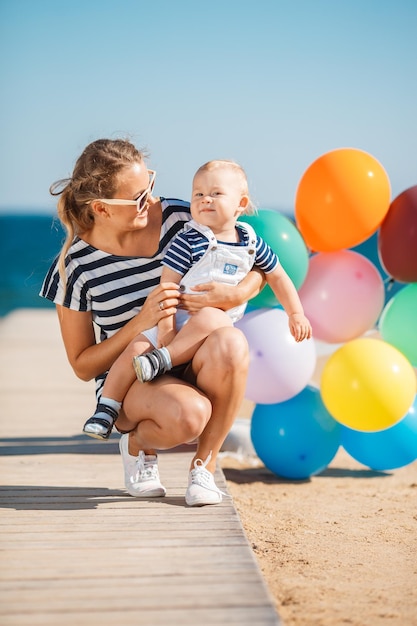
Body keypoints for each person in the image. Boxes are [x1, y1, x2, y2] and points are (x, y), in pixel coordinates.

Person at [40, 138, 265, 507]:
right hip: (130, 381)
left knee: (231, 343)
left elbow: (256, 264)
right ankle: (138, 444)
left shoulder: (181, 219)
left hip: (191, 356)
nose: (152, 201)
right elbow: (82, 366)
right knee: (190, 416)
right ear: (102, 208)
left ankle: (202, 470)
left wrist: (235, 295)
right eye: (138, 198)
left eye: (150, 187)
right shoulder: (74, 267)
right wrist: (139, 322)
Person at [83, 159, 312, 446]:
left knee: (213, 318)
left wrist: (295, 313)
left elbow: (277, 276)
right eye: (198, 194)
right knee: (137, 347)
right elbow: (167, 285)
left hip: (208, 335)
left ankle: (164, 363)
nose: (205, 199)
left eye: (216, 194)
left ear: (240, 203)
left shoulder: (252, 243)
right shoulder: (190, 239)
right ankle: (106, 409)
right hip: (175, 322)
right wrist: (166, 329)